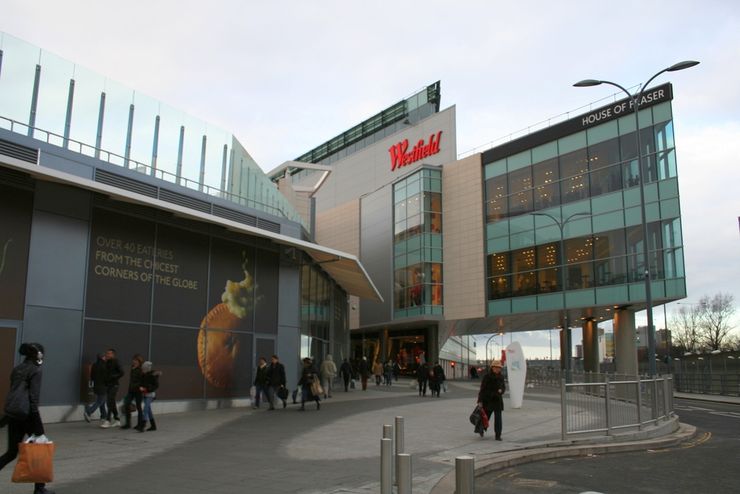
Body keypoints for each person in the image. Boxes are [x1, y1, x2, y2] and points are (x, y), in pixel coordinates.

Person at [0, 342, 55, 494]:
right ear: (38, 355)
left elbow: (14, 392)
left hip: (14, 414)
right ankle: (40, 489)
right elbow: (33, 398)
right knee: (40, 450)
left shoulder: (17, 369)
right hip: (28, 416)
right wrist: (38, 425)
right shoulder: (36, 370)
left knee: (11, 452)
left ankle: (40, 488)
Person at [477, 360, 506, 440]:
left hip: (498, 401)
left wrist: (501, 390)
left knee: (498, 419)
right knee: (486, 417)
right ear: (492, 368)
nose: (498, 369)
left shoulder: (501, 377)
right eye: (496, 367)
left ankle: (498, 435)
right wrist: (480, 401)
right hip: (488, 400)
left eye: (499, 368)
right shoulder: (487, 376)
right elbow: (482, 389)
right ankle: (481, 429)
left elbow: (503, 387)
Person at [101, 348, 124, 428]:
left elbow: (122, 372)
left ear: (113, 354)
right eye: (106, 353)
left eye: (109, 353)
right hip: (108, 385)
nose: (107, 355)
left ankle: (108, 420)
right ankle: (117, 420)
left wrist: (113, 377)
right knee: (112, 402)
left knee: (109, 402)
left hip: (114, 385)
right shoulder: (106, 362)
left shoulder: (116, 361)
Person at [120, 354, 144, 430]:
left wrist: (137, 386)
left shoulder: (140, 370)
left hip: (138, 391)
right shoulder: (132, 368)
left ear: (139, 362)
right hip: (131, 390)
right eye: (133, 360)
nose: (134, 361)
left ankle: (140, 424)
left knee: (139, 407)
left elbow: (141, 381)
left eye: (136, 360)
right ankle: (128, 423)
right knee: (127, 404)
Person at [83, 353, 108, 422]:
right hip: (103, 386)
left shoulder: (94, 365)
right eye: (105, 357)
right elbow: (106, 377)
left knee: (102, 401)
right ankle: (89, 412)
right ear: (102, 358)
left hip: (96, 386)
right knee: (100, 401)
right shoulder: (105, 365)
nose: (105, 358)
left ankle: (104, 416)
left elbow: (92, 376)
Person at [137, 361, 160, 432]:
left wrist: (147, 389)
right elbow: (140, 383)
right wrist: (140, 387)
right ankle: (153, 426)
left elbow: (156, 385)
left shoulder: (152, 375)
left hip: (150, 394)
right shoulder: (143, 375)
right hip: (145, 394)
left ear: (146, 369)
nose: (142, 370)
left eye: (144, 369)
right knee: (148, 410)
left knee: (145, 409)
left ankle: (143, 425)